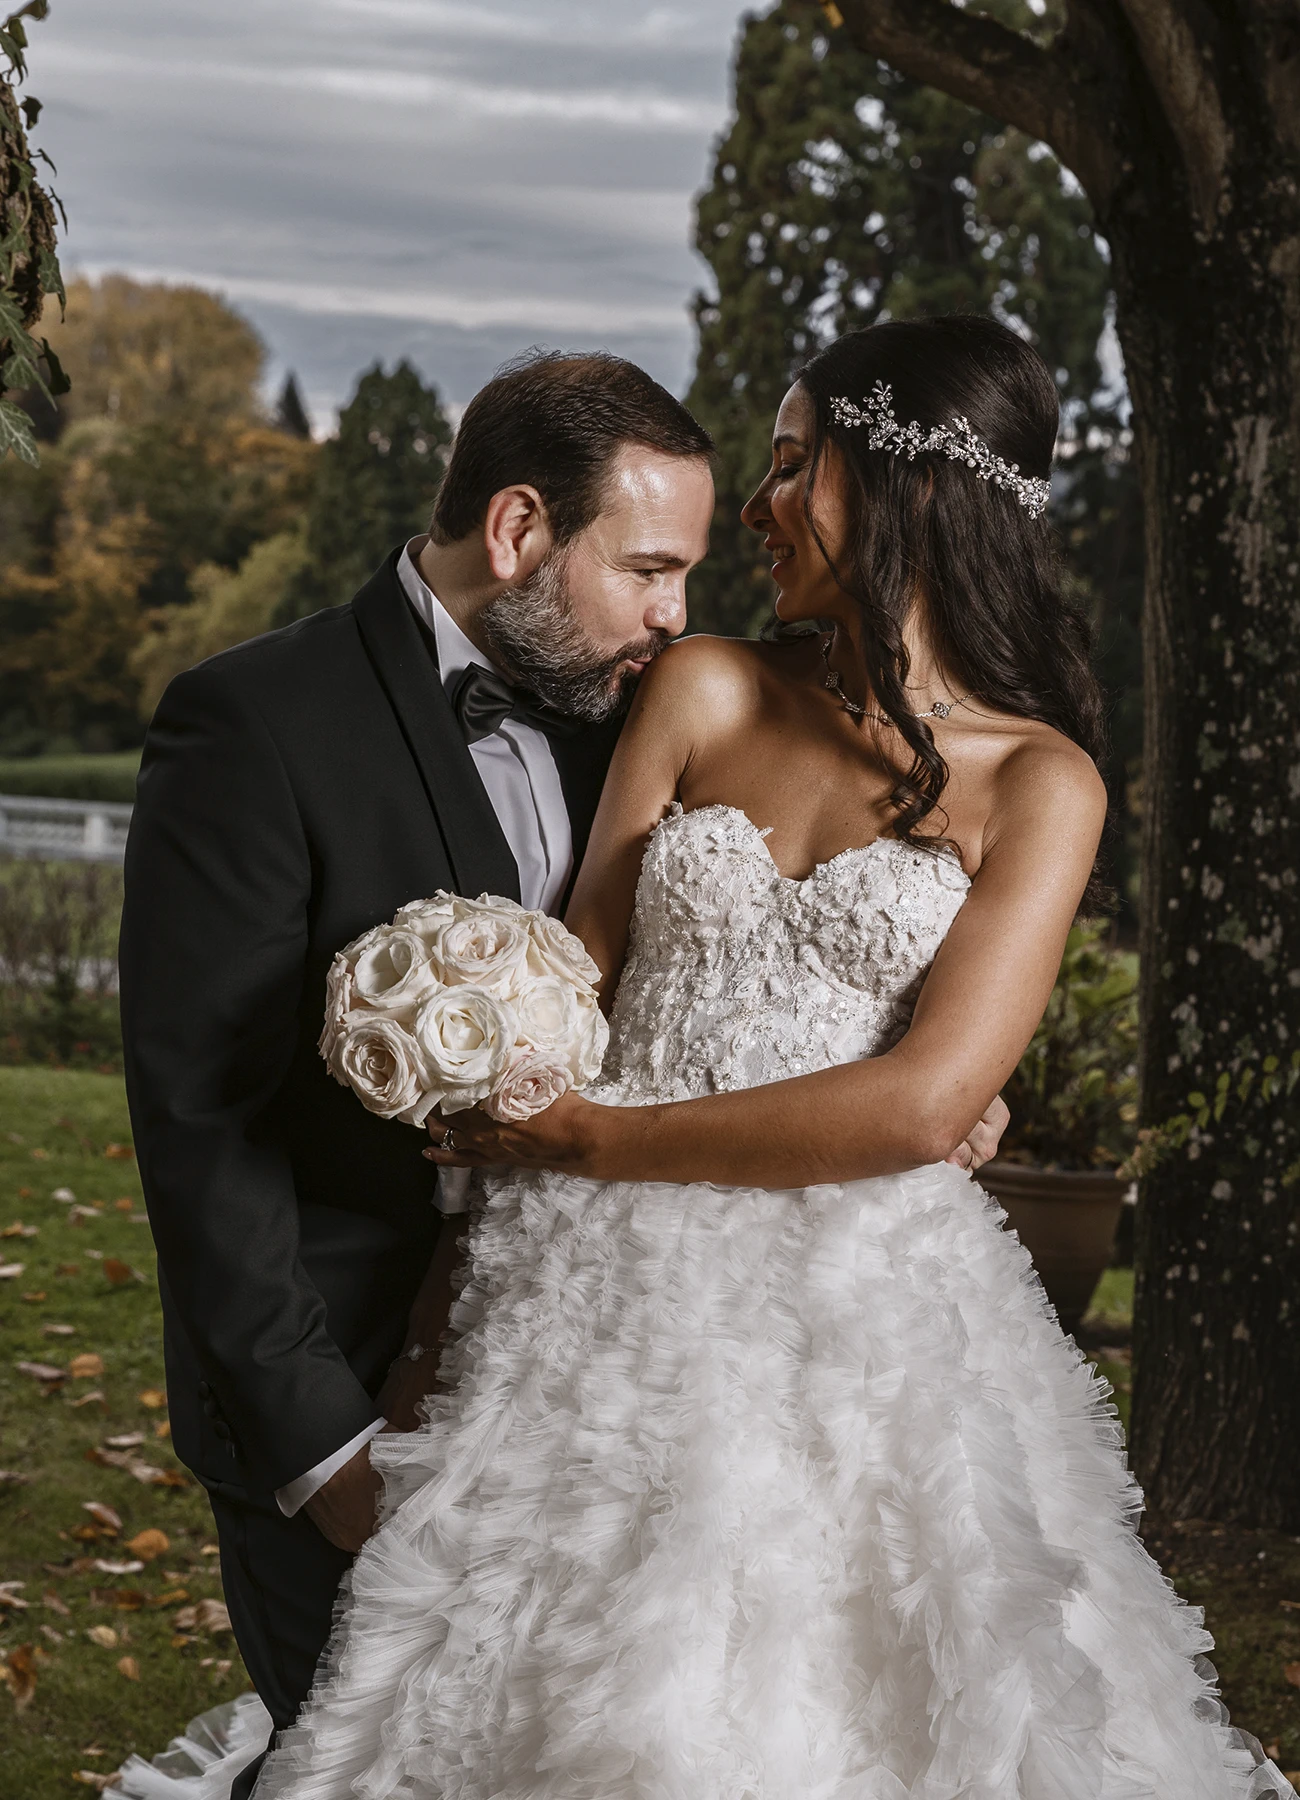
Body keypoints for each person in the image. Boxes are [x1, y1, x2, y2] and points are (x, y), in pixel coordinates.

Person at [254, 316, 1294, 1800]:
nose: (754, 508)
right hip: (589, 1293)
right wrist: (461, 1032)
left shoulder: (1043, 783)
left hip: (851, 1316)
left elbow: (929, 1096)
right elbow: (582, 985)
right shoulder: (707, 689)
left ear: (906, 490)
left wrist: (606, 1142)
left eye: (795, 465)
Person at [114, 345, 1013, 1800]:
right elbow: (196, 1124)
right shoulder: (254, 724)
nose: (677, 614)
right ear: (520, 531)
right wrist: (325, 1454)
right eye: (650, 569)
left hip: (614, 1367)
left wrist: (934, 1081)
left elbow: (738, 965)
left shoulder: (653, 702)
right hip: (341, 1389)